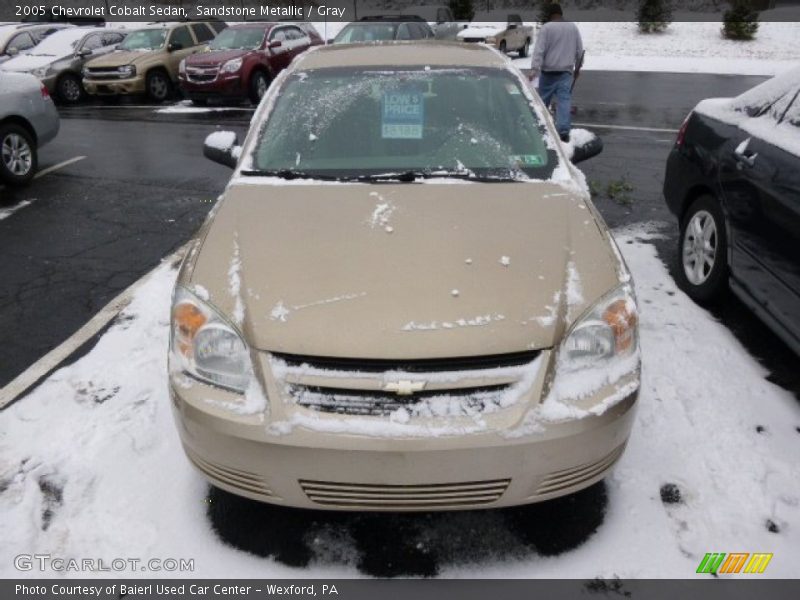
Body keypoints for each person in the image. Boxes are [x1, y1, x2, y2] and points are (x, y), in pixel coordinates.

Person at [529, 3, 584, 142]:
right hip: (565, 72)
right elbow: (579, 50)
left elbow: (539, 51)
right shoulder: (573, 27)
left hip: (548, 72)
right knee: (564, 101)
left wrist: (534, 69)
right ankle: (563, 131)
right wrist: (578, 67)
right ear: (561, 14)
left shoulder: (547, 28)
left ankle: (538, 126)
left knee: (542, 101)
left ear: (550, 15)